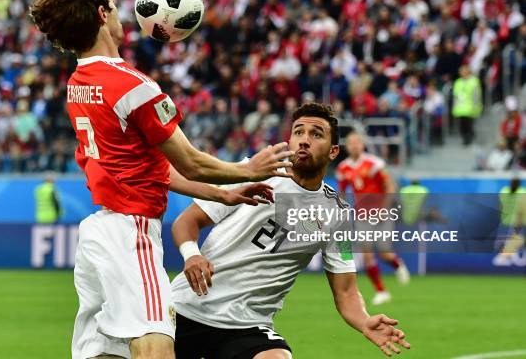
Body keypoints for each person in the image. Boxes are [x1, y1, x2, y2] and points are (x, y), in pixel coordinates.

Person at [30, 0, 294, 359]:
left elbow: (148, 168)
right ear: (102, 15)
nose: (122, 14)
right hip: (132, 231)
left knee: (108, 354)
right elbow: (189, 161)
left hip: (99, 235)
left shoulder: (79, 82)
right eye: (116, 6)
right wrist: (247, 169)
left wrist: (221, 194)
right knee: (156, 346)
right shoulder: (131, 85)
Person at [171, 103, 410, 358]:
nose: (304, 140)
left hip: (246, 326)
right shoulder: (253, 172)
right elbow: (186, 222)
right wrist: (191, 255)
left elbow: (346, 290)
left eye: (316, 134)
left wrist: (364, 321)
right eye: (298, 132)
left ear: (333, 151)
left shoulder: (338, 217)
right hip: (186, 309)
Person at [336, 132, 410, 305]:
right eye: (351, 143)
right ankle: (381, 291)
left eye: (357, 143)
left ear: (362, 145)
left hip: (382, 213)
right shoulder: (343, 168)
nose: (354, 146)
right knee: (367, 254)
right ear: (347, 147)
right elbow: (342, 192)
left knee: (384, 251)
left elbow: (389, 185)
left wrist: (384, 209)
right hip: (362, 216)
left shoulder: (374, 164)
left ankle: (398, 265)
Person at [452, 65, 482, 146]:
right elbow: (455, 96)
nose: (462, 73)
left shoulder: (474, 81)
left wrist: (476, 106)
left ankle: (469, 136)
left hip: (470, 106)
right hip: (460, 107)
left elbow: (476, 94)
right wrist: (455, 106)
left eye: (463, 71)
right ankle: (465, 136)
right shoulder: (458, 82)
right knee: (462, 124)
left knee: (468, 123)